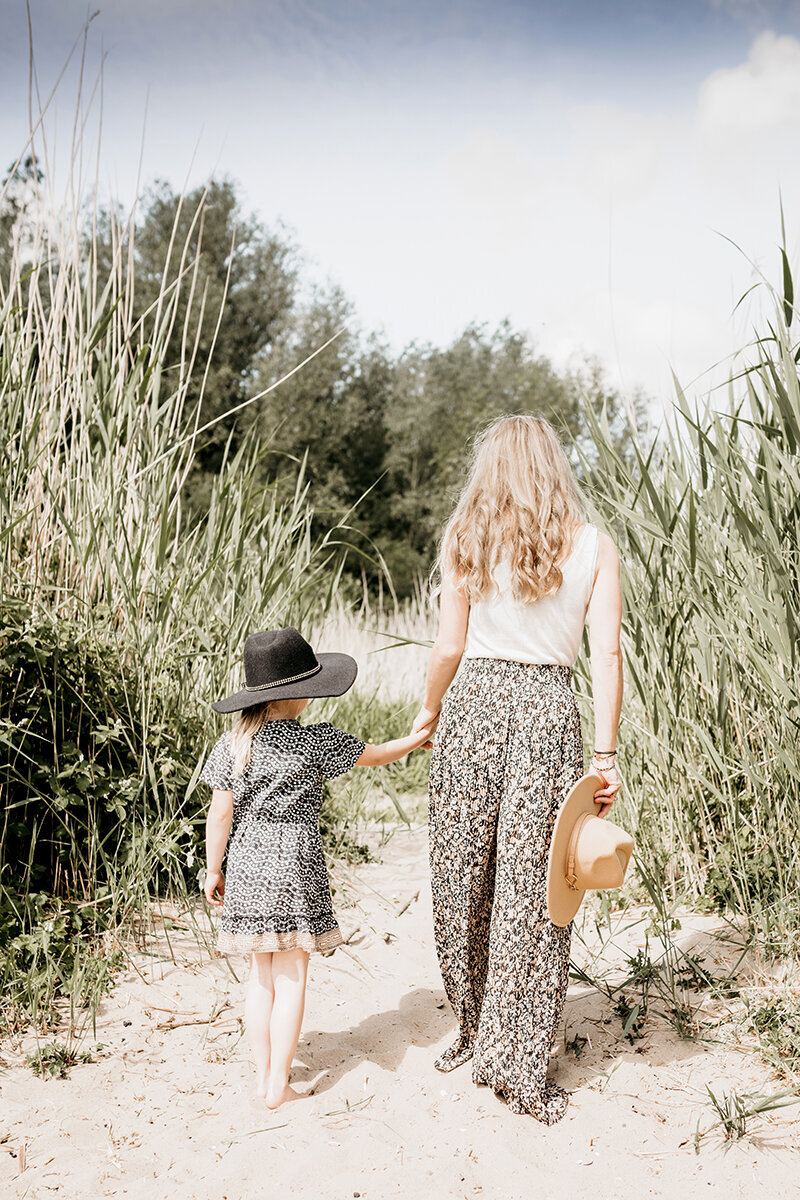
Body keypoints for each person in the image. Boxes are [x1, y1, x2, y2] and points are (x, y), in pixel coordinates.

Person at [411, 413, 623, 1125]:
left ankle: (471, 1030)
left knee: (462, 874)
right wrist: (605, 755)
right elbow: (608, 657)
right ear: (555, 467)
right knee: (537, 888)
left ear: (489, 469)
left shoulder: (465, 539)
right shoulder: (595, 546)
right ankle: (516, 1054)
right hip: (547, 711)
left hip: (473, 703)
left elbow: (447, 646)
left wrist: (429, 710)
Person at [200, 626, 433, 1110]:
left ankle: (263, 1075)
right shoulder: (315, 744)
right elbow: (375, 755)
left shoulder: (232, 745)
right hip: (295, 868)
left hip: (247, 864)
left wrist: (212, 868)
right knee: (292, 978)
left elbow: (219, 814)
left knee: (258, 977)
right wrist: (415, 740)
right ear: (299, 695)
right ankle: (278, 1086)